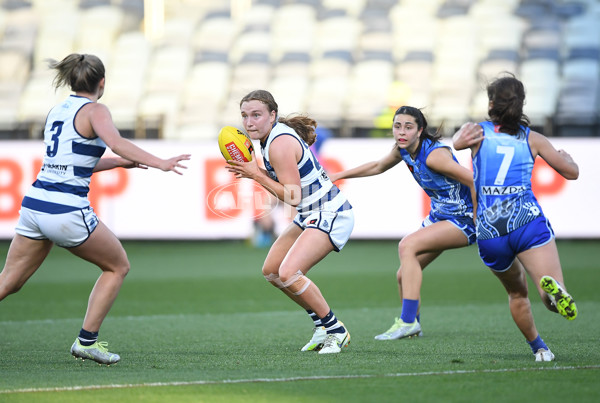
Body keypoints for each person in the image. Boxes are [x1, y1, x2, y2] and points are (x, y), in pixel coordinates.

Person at [0, 53, 190, 365]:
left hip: (35, 206)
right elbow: (115, 142)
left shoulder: (56, 111)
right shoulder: (95, 110)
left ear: (72, 80)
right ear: (102, 82)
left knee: (9, 281)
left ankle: (86, 342)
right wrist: (161, 163)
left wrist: (119, 163)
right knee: (118, 266)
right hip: (65, 210)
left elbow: (70, 162)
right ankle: (86, 342)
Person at [453, 74, 578, 362]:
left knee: (517, 293)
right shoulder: (532, 139)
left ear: (491, 103)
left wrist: (461, 137)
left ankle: (539, 348)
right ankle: (552, 292)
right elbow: (571, 173)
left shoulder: (477, 132)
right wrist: (567, 157)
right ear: (521, 104)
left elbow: (457, 144)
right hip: (526, 220)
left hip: (489, 229)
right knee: (550, 295)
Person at [329, 106, 479, 341]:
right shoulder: (403, 149)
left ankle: (407, 321)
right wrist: (338, 175)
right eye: (397, 126)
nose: (401, 132)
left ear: (420, 131)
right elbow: (377, 166)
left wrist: (478, 217)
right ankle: (413, 326)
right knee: (403, 275)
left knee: (407, 246)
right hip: (440, 217)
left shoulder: (434, 156)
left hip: (462, 220)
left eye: (408, 127)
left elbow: (474, 180)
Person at [226, 90, 353, 354]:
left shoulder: (279, 143)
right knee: (272, 271)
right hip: (311, 213)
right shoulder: (269, 139)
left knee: (289, 273)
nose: (249, 122)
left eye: (257, 115)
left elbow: (292, 197)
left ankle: (335, 330)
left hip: (330, 212)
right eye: (245, 116)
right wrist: (256, 172)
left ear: (272, 115)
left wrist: (256, 175)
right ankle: (321, 326)